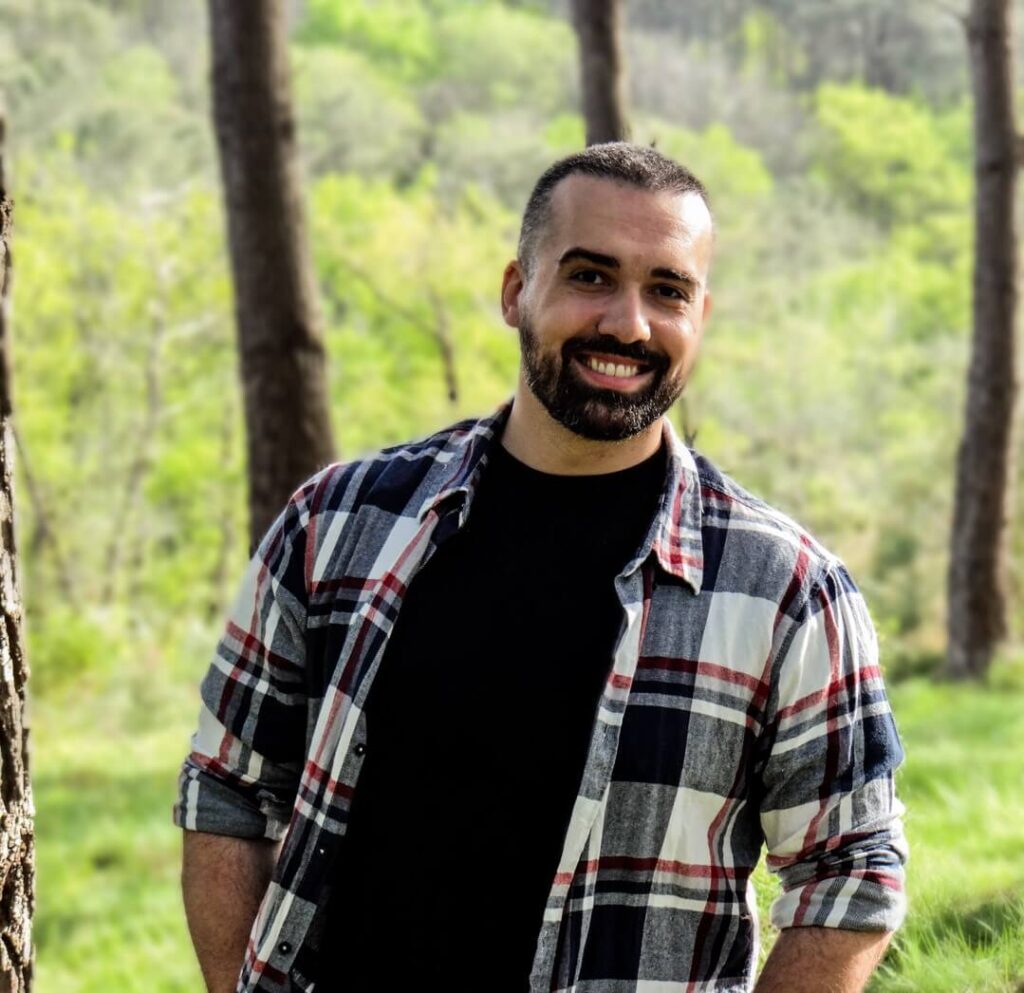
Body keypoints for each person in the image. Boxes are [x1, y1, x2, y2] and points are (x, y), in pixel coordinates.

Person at [175, 142, 907, 993]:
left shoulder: (787, 592)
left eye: (666, 290)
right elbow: (228, 787)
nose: (628, 324)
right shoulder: (336, 525)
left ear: (700, 315)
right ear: (517, 291)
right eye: (590, 276)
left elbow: (851, 872)